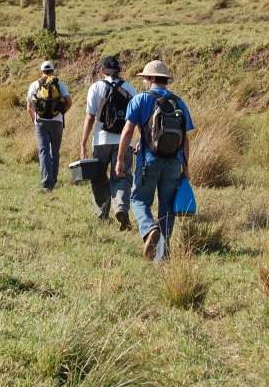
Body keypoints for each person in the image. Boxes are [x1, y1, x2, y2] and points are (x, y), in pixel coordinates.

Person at [115, 60, 194, 261]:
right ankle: (163, 253)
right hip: (174, 162)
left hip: (148, 160)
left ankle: (150, 229)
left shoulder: (141, 100)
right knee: (167, 206)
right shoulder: (179, 102)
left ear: (150, 79)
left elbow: (127, 130)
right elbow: (185, 139)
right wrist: (185, 167)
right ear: (165, 80)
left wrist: (120, 159)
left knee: (138, 199)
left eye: (145, 78)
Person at [80, 56, 138, 230]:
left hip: (101, 140)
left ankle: (101, 214)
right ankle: (121, 207)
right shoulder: (129, 88)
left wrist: (83, 144)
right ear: (119, 71)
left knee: (98, 178)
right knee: (122, 177)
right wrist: (140, 140)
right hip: (124, 141)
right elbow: (137, 119)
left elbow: (90, 117)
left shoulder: (96, 87)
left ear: (102, 71)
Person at [26, 60, 72, 193]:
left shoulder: (35, 84)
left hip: (41, 122)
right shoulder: (59, 83)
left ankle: (47, 184)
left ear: (41, 72)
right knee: (55, 152)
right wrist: (59, 114)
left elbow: (29, 107)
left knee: (44, 152)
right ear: (53, 71)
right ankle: (54, 179)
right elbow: (69, 102)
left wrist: (35, 120)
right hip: (57, 122)